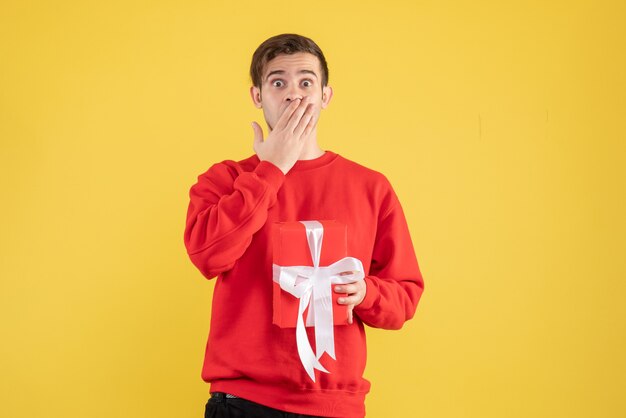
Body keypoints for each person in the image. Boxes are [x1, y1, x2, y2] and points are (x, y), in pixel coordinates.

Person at [184, 33, 425, 418]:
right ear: (258, 96)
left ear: (325, 96)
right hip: (245, 401)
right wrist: (271, 170)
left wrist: (363, 292)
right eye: (278, 82)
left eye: (306, 82)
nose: (293, 94)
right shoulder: (225, 179)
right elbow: (207, 255)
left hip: (335, 403)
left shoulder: (371, 187)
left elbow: (405, 297)